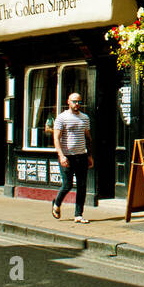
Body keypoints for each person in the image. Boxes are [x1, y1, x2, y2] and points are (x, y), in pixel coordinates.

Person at [51, 92, 92, 223]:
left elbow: (87, 136)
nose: (77, 104)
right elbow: (56, 138)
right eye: (74, 101)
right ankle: (56, 204)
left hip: (82, 155)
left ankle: (78, 214)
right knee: (67, 185)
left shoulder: (85, 118)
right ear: (68, 101)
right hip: (67, 156)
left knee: (82, 186)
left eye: (79, 101)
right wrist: (61, 155)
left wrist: (90, 155)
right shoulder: (62, 118)